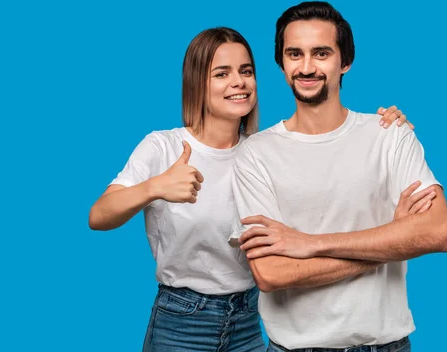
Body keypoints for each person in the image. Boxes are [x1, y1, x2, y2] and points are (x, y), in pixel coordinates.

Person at [89, 26, 417, 351]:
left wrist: (381, 129)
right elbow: (100, 215)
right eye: (222, 73)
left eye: (246, 71)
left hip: (248, 322)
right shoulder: (162, 147)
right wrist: (155, 187)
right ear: (197, 84)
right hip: (182, 321)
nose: (239, 82)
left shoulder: (263, 153)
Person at [230, 1, 447, 352]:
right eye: (294, 54)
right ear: (281, 63)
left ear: (344, 61)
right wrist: (392, 240)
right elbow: (271, 274)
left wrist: (310, 243)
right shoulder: (254, 155)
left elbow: (438, 232)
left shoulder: (389, 134)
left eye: (321, 53)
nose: (306, 67)